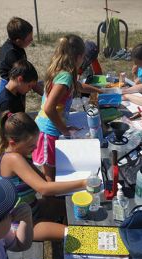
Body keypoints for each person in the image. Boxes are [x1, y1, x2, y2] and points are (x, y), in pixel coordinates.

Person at [0, 112, 87, 240]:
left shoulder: (19, 155)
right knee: (77, 235)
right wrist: (83, 183)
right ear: (13, 143)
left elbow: (43, 180)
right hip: (22, 225)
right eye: (31, 145)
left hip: (33, 208)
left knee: (76, 209)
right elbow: (43, 188)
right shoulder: (13, 159)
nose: (35, 148)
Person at [32, 34, 87, 181]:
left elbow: (79, 86)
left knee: (55, 172)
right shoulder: (66, 77)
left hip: (51, 130)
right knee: (50, 178)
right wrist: (65, 130)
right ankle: (50, 203)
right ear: (79, 56)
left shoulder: (62, 70)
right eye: (83, 58)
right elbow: (49, 107)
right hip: (47, 132)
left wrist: (100, 91)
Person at [0, 17, 43, 97]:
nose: (32, 40)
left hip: (19, 88)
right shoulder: (11, 54)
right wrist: (47, 96)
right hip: (10, 94)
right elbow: (26, 76)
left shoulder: (18, 47)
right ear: (18, 41)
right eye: (29, 40)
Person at [0, 59, 38, 128]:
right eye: (29, 86)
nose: (30, 89)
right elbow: (9, 130)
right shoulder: (6, 102)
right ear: (20, 79)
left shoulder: (17, 92)